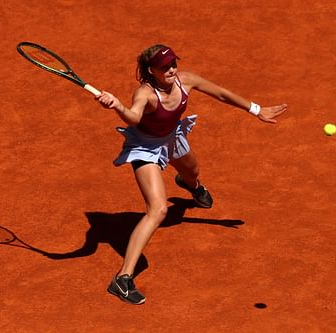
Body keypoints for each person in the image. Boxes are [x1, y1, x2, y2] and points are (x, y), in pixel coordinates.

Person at [96, 44, 287, 304]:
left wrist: (256, 109)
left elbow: (220, 93)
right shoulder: (145, 94)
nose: (172, 69)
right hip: (146, 147)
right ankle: (122, 279)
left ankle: (192, 186)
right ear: (151, 71)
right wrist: (117, 105)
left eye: (173, 64)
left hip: (172, 137)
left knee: (192, 171)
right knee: (159, 210)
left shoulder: (186, 80)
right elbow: (132, 117)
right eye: (165, 67)